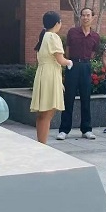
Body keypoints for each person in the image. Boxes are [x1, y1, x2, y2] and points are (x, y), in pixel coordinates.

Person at [57, 7, 100, 141]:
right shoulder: (72, 32)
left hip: (86, 66)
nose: (85, 18)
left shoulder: (95, 36)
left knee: (86, 98)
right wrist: (71, 63)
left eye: (88, 15)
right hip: (72, 65)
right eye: (83, 15)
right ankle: (64, 130)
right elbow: (67, 50)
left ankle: (86, 129)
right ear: (80, 17)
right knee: (68, 98)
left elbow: (93, 53)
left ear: (93, 17)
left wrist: (85, 62)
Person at [30, 11, 73, 144]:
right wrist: (69, 62)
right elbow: (60, 59)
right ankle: (43, 144)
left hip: (43, 73)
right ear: (57, 23)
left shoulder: (43, 36)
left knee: (42, 113)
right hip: (50, 75)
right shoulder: (53, 37)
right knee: (47, 113)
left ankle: (40, 142)